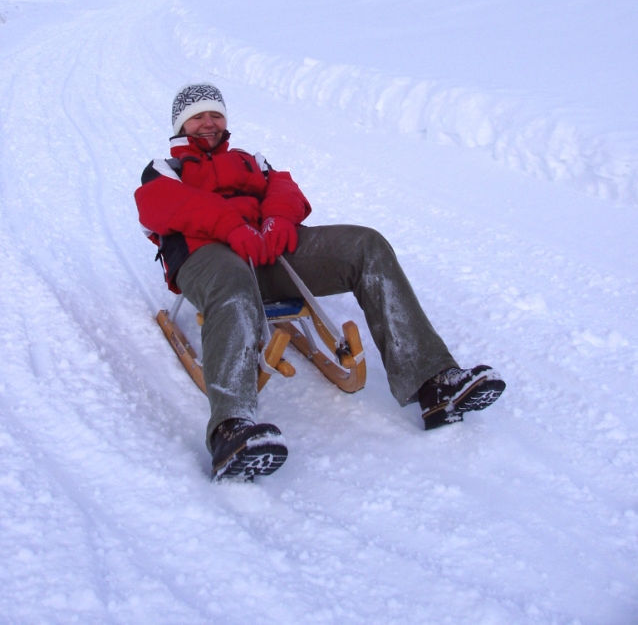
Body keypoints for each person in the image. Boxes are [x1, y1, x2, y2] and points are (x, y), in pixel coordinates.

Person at [135, 83, 505, 481]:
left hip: (269, 252)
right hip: (209, 257)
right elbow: (161, 205)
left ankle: (435, 383)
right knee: (232, 285)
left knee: (366, 245)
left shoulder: (249, 161)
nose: (208, 122)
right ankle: (231, 429)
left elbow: (285, 188)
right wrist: (229, 226)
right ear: (180, 125)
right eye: (197, 116)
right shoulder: (164, 169)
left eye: (216, 115)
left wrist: (277, 217)